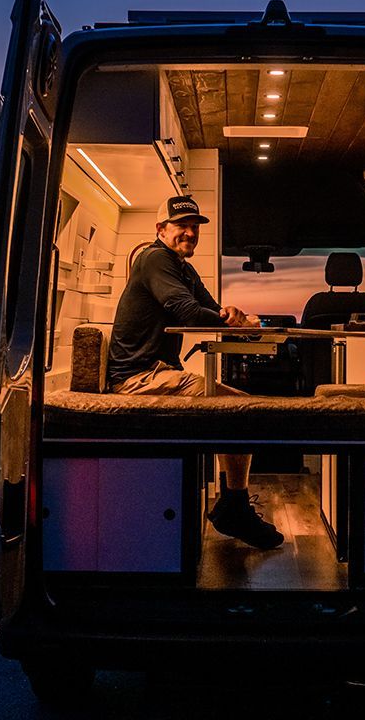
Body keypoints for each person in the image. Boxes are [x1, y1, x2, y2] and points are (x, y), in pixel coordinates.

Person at [106, 195, 284, 550]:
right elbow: (185, 311)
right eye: (180, 226)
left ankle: (232, 504)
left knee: (238, 408)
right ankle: (234, 507)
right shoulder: (155, 258)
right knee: (242, 411)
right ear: (161, 229)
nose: (189, 233)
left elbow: (211, 310)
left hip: (159, 372)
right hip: (137, 380)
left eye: (194, 227)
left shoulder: (182, 268)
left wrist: (237, 319)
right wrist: (230, 320)